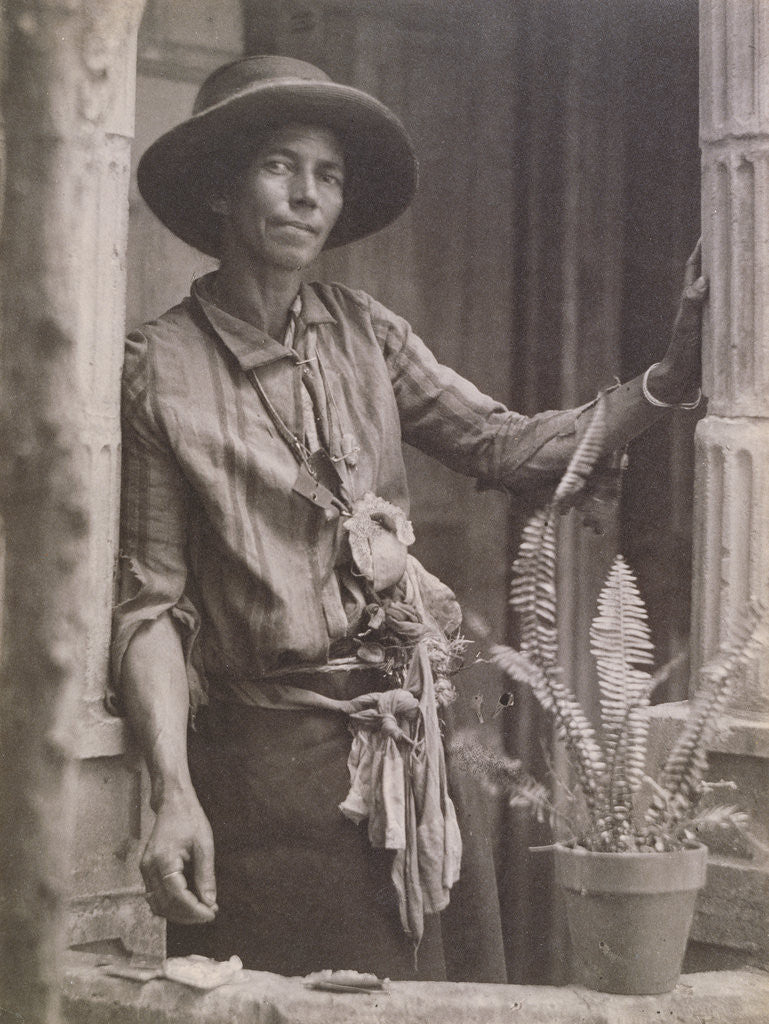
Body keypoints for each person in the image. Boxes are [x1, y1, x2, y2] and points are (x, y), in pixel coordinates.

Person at [111, 54, 707, 983]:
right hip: (265, 779)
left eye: (329, 174)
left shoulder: (366, 334)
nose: (308, 195)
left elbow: (509, 446)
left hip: (407, 750)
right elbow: (149, 605)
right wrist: (171, 796)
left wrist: (665, 383)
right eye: (279, 165)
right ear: (219, 189)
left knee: (434, 998)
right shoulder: (158, 369)